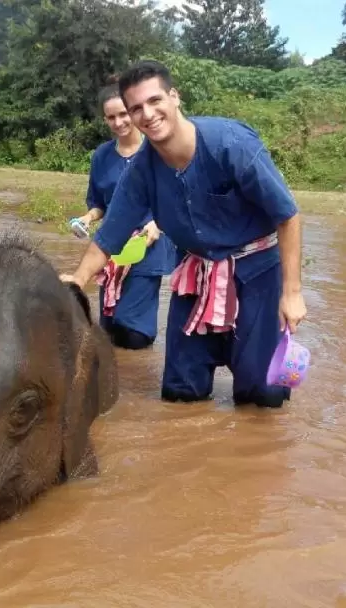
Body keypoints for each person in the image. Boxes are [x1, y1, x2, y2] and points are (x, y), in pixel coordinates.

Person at [61, 59, 308, 409]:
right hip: (196, 271)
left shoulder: (231, 144)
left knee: (260, 398)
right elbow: (110, 234)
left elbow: (287, 215)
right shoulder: (142, 169)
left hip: (257, 271)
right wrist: (78, 279)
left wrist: (292, 293)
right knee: (180, 392)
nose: (147, 114)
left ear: (174, 97)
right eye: (136, 108)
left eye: (155, 100)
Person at [71, 79, 176, 350]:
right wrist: (87, 218)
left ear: (133, 112)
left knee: (133, 335)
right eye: (111, 117)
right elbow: (99, 203)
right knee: (109, 329)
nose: (118, 122)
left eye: (123, 114)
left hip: (146, 247)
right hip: (113, 248)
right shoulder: (102, 156)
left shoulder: (159, 151)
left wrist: (157, 224)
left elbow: (175, 199)